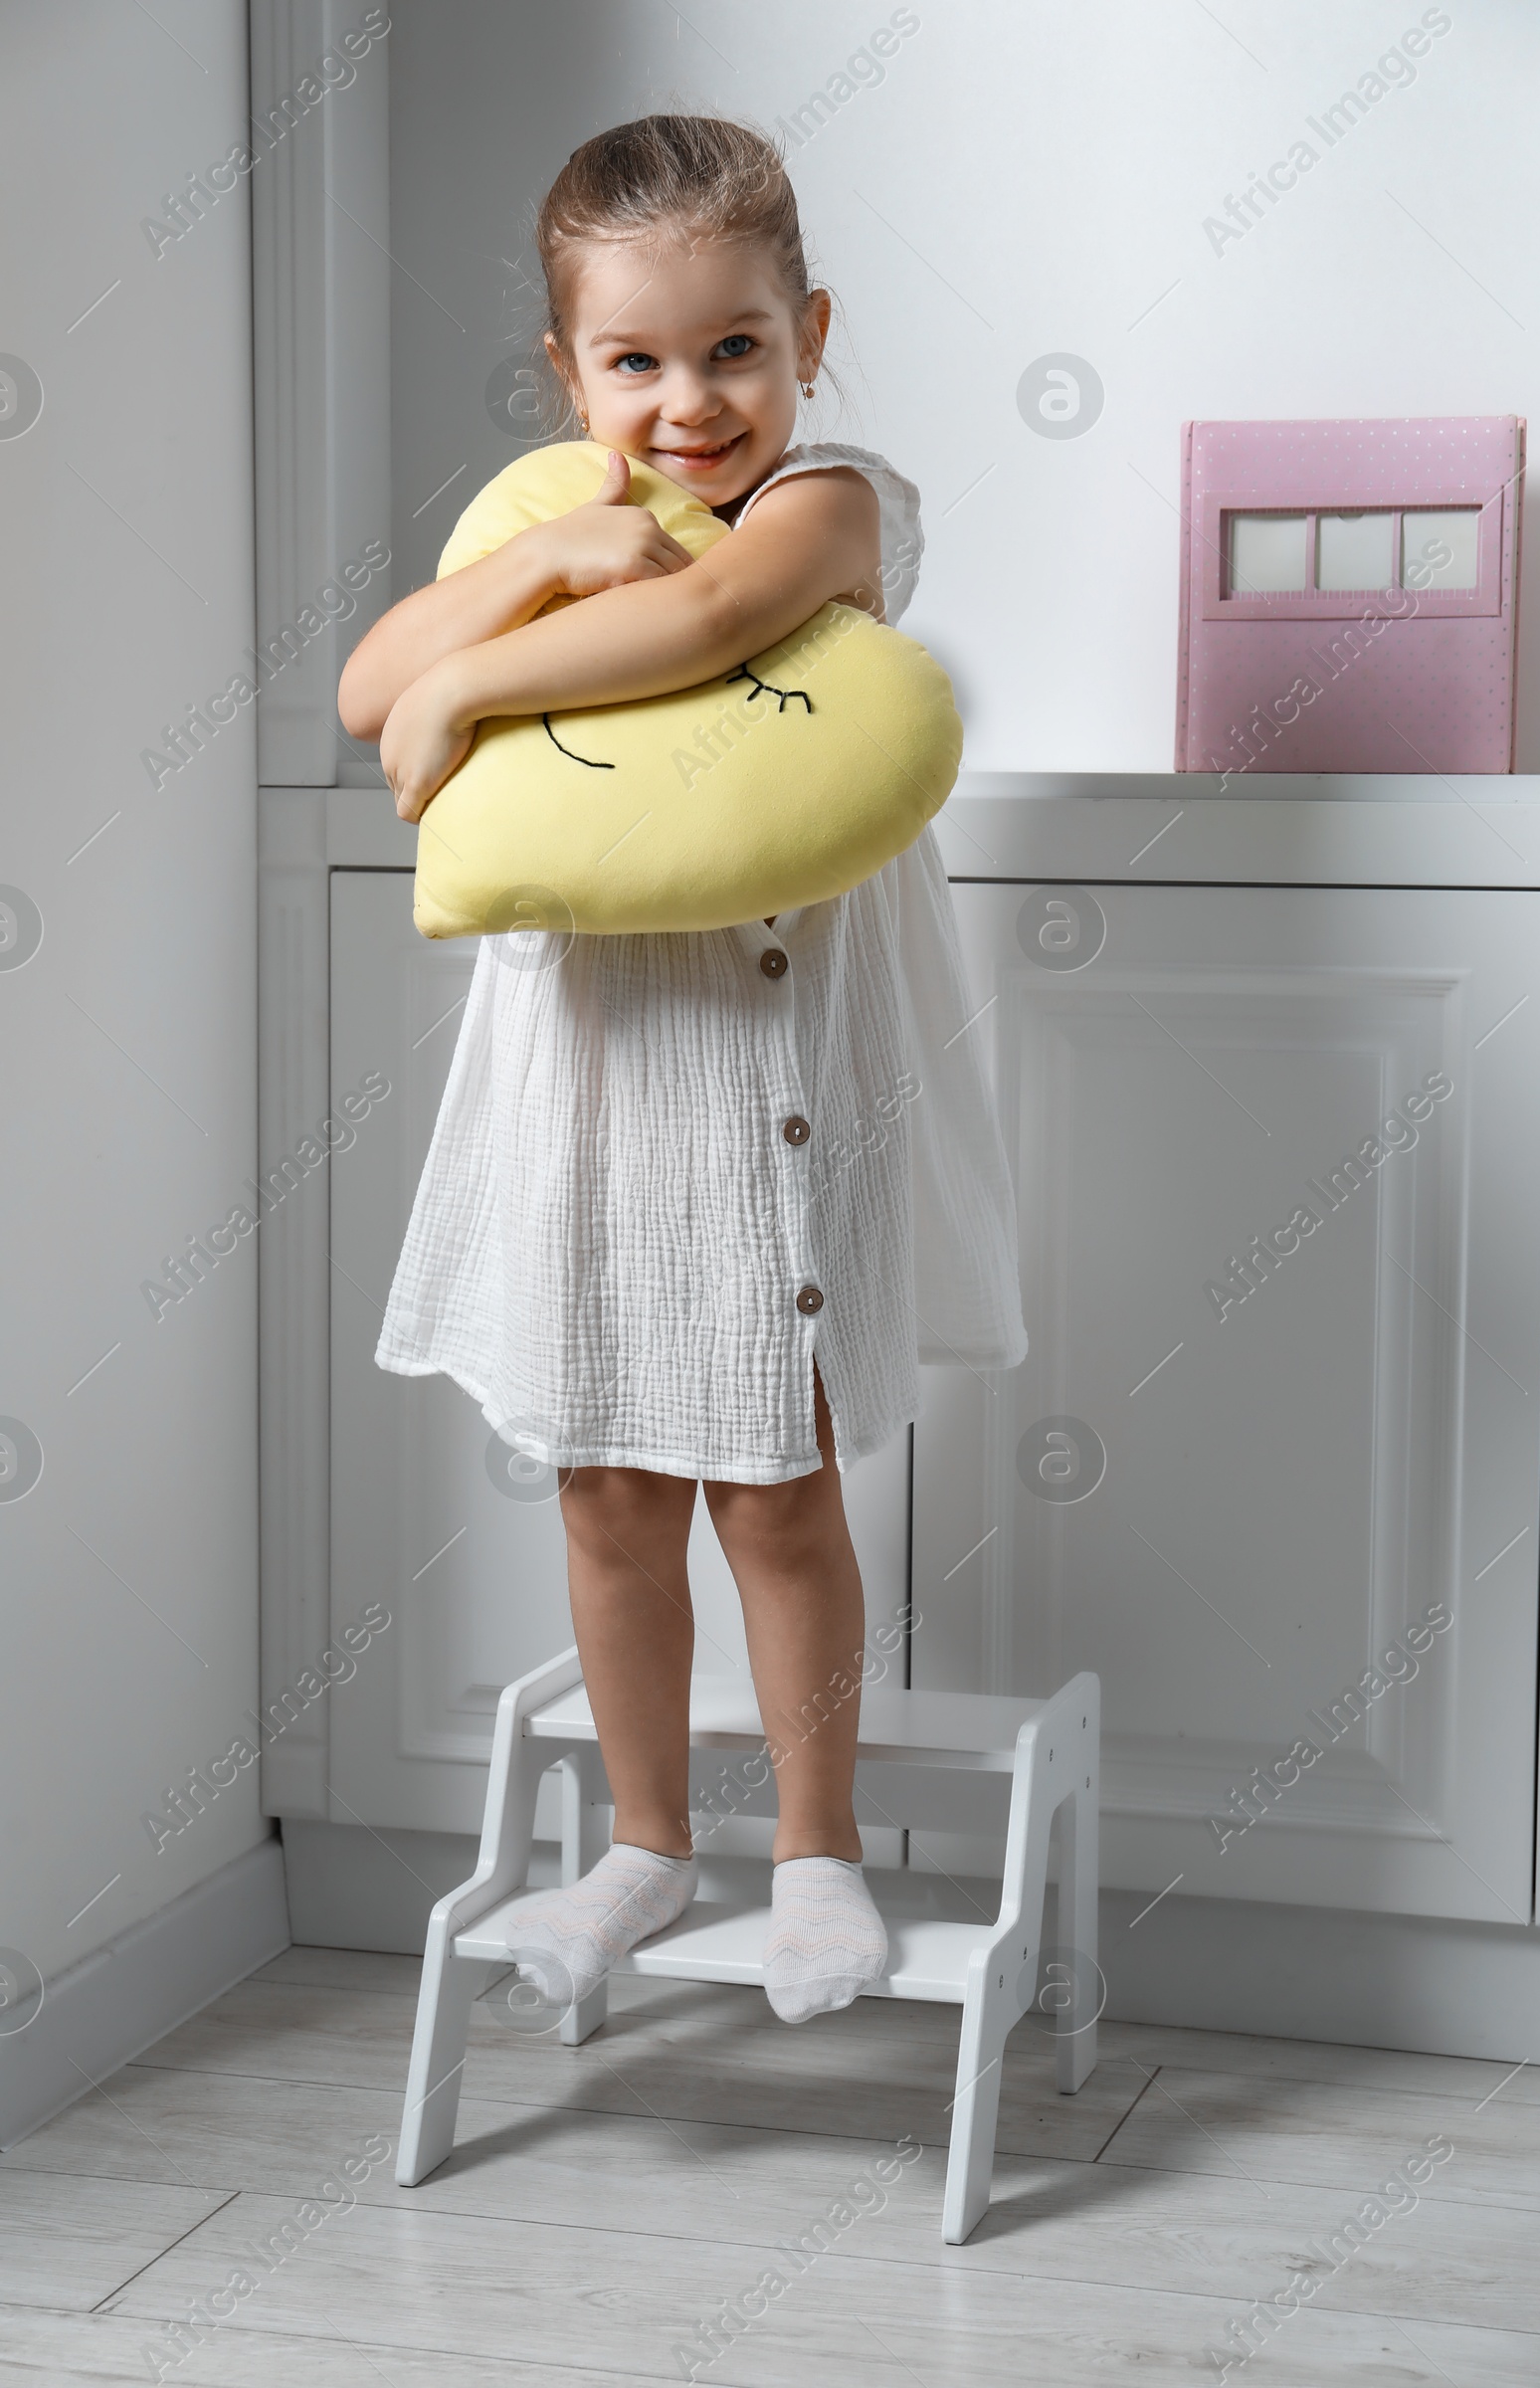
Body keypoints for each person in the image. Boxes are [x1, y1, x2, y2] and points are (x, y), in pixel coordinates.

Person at [338, 112, 1025, 2025]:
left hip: (777, 1083)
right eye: (634, 361)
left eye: (735, 346)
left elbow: (715, 616)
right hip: (596, 1087)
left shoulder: (839, 505)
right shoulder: (549, 522)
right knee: (606, 1496)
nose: (690, 400)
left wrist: (473, 681)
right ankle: (647, 1842)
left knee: (779, 1493)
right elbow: (354, 685)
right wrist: (536, 562)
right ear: (570, 376)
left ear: (809, 332)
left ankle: (817, 1855)